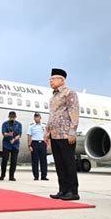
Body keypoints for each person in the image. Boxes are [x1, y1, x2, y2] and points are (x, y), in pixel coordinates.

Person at [45, 68, 80, 201]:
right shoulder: (53, 97)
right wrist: (47, 132)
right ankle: (63, 190)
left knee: (69, 163)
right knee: (59, 163)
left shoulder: (70, 93)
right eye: (50, 79)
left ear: (62, 80)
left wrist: (72, 132)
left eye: (53, 79)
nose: (51, 81)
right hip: (54, 135)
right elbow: (52, 116)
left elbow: (74, 113)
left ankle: (73, 191)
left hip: (66, 134)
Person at [0, 111, 22, 181]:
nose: (12, 119)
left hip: (15, 145)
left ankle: (11, 176)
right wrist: (9, 134)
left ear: (15, 117)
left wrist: (14, 139)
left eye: (13, 117)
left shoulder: (19, 124)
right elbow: (4, 133)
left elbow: (19, 134)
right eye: (11, 117)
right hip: (6, 144)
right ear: (8, 117)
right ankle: (2, 175)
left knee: (14, 161)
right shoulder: (5, 124)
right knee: (5, 160)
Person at [27, 113, 49, 181]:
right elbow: (29, 136)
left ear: (40, 118)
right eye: (35, 117)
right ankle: (36, 176)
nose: (37, 118)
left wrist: (48, 144)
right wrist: (29, 145)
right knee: (35, 161)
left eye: (38, 117)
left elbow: (47, 135)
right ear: (34, 118)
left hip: (42, 143)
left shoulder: (44, 126)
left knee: (43, 160)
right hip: (34, 143)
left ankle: (44, 176)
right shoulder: (31, 126)